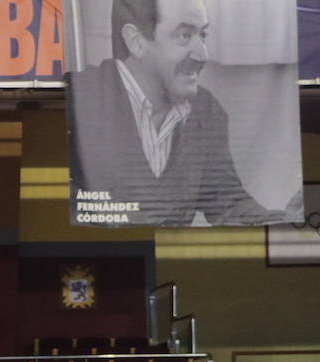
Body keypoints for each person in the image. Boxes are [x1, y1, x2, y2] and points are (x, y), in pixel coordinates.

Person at [68, 0, 291, 227]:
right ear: (136, 42)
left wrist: (282, 219)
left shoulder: (206, 111)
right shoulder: (78, 103)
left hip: (170, 261)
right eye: (184, 36)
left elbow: (227, 203)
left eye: (202, 36)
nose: (202, 55)